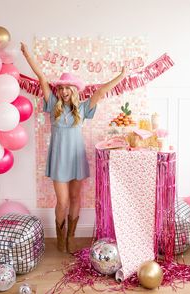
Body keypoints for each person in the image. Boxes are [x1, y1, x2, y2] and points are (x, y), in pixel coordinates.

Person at [20, 42, 127, 253]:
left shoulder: (83, 107)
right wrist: (27, 55)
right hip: (59, 159)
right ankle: (60, 235)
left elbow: (102, 91)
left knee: (76, 198)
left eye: (67, 87)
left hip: (77, 158)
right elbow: (42, 77)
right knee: (63, 201)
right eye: (61, 88)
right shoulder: (52, 104)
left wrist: (121, 77)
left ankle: (71, 236)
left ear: (74, 90)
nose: (64, 90)